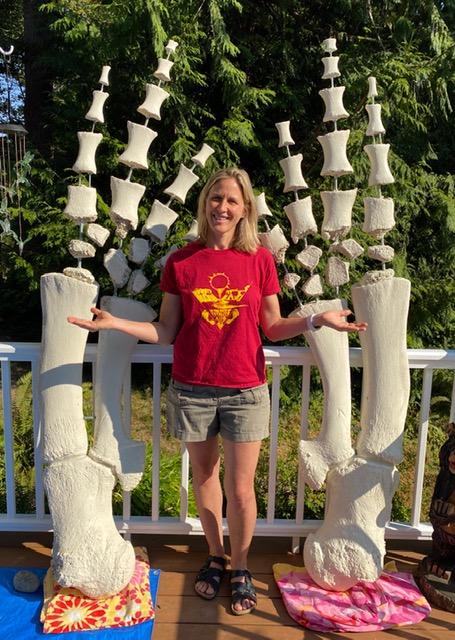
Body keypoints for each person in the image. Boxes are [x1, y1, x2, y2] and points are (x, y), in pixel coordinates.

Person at [68, 167, 367, 615]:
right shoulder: (182, 262)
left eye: (231, 200)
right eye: (215, 198)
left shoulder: (259, 260)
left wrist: (314, 320)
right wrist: (114, 324)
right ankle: (215, 556)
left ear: (244, 208)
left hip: (246, 388)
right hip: (192, 389)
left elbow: (271, 325)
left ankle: (241, 566)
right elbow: (166, 330)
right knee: (205, 480)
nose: (222, 207)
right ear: (205, 204)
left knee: (241, 488)